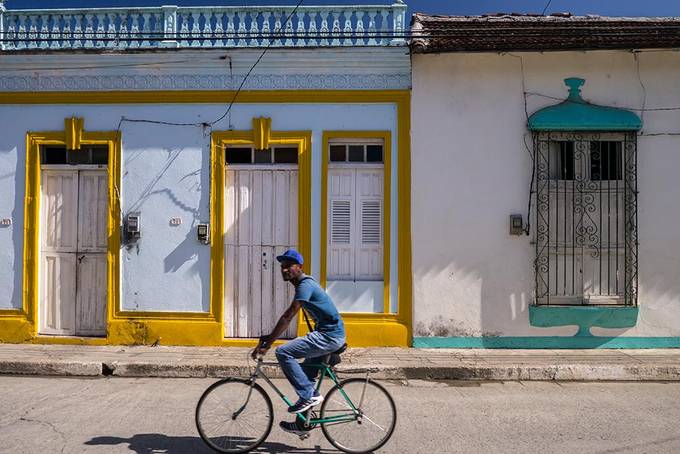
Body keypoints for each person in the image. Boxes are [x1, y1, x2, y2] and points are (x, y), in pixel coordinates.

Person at [252, 248, 346, 435]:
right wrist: (267, 338)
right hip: (329, 335)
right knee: (305, 375)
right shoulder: (302, 286)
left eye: (288, 266)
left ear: (299, 267)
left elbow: (288, 316)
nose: (284, 270)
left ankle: (309, 396)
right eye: (282, 267)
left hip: (329, 336)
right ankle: (303, 423)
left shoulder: (305, 285)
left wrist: (269, 344)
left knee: (283, 352)